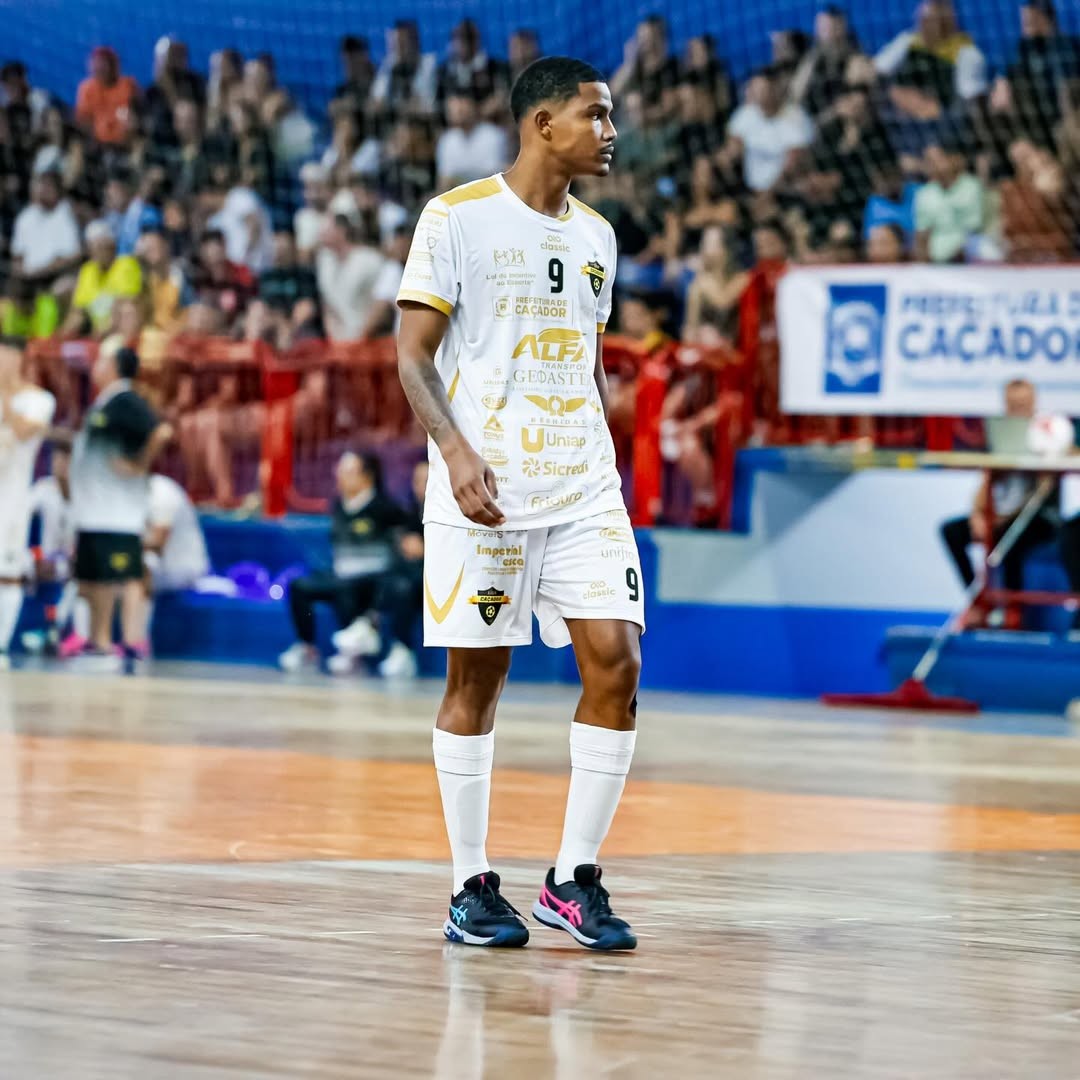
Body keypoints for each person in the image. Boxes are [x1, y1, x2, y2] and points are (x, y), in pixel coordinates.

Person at [397, 56, 643, 951]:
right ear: (544, 125)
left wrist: (602, 456)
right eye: (595, 116)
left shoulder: (597, 239)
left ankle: (573, 881)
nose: (609, 132)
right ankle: (470, 887)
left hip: (583, 486)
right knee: (478, 681)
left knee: (616, 666)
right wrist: (456, 452)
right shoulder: (455, 218)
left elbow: (588, 364)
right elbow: (412, 356)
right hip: (485, 490)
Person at [70, 345, 172, 665]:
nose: (95, 366)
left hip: (116, 513)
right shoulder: (107, 402)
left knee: (115, 578)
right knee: (92, 578)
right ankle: (96, 639)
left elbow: (161, 431)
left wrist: (138, 464)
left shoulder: (126, 401)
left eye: (101, 360)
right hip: (95, 511)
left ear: (115, 366)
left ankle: (116, 642)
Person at [940, 379, 1058, 630]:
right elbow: (986, 481)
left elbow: (1048, 483)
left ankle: (1014, 613)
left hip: (1035, 516)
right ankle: (979, 602)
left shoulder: (1049, 432)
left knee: (1012, 539)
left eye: (1023, 404)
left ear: (1034, 403)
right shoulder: (998, 435)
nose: (1018, 409)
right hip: (999, 513)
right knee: (952, 531)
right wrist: (977, 515)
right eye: (1013, 404)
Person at [278, 452, 408, 674]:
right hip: (340, 573)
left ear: (367, 477)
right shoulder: (339, 506)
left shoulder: (386, 508)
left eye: (347, 472)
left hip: (373, 579)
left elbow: (404, 546)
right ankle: (306, 647)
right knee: (299, 586)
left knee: (345, 588)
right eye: (339, 471)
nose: (339, 477)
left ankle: (352, 653)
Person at [331, 459, 428, 678]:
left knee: (401, 586)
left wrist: (426, 549)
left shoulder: (454, 515)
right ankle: (367, 628)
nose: (421, 486)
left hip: (438, 579)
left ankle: (401, 648)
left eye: (427, 480)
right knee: (378, 580)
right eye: (417, 480)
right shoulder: (412, 512)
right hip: (405, 573)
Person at [0, 336, 56, 669]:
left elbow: (23, 431)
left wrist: (6, 392)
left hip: (12, 498)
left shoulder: (39, 400)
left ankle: (1, 643)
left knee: (6, 571)